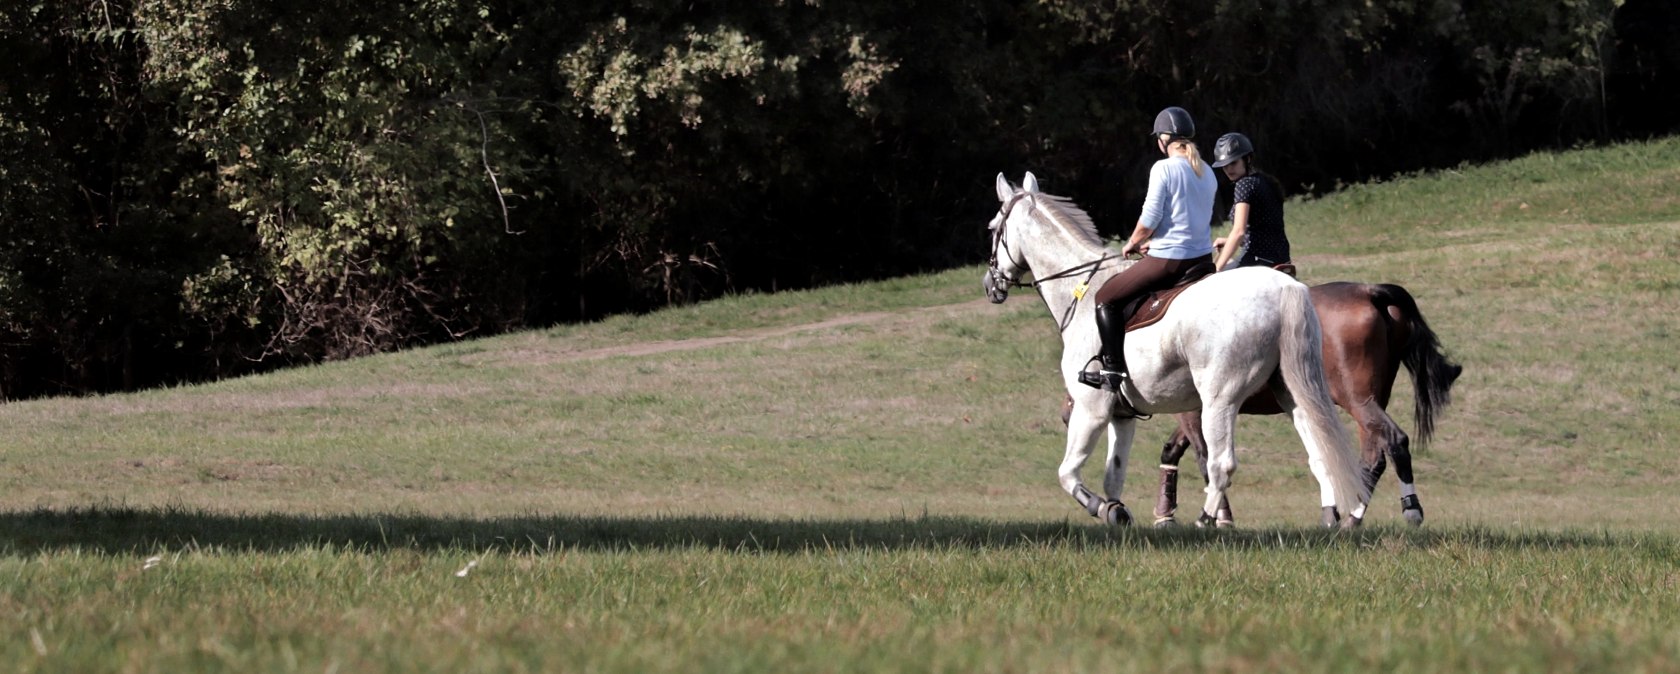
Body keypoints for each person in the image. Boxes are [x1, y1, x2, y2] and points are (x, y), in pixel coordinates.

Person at [1079, 106, 1217, 395]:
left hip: (1170, 262)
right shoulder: (1207, 171)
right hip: (1203, 261)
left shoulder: (1163, 168)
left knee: (1105, 298)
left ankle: (1112, 369)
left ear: (1163, 140)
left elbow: (1149, 218)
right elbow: (1191, 219)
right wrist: (1155, 240)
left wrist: (1132, 242)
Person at [1210, 132, 1291, 272]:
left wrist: (1215, 269)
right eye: (1225, 166)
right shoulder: (1267, 182)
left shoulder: (1244, 185)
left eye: (1233, 163)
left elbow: (1239, 232)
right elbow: (1263, 231)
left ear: (1247, 159)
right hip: (1282, 259)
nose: (1229, 169)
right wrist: (1228, 241)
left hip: (1257, 260)